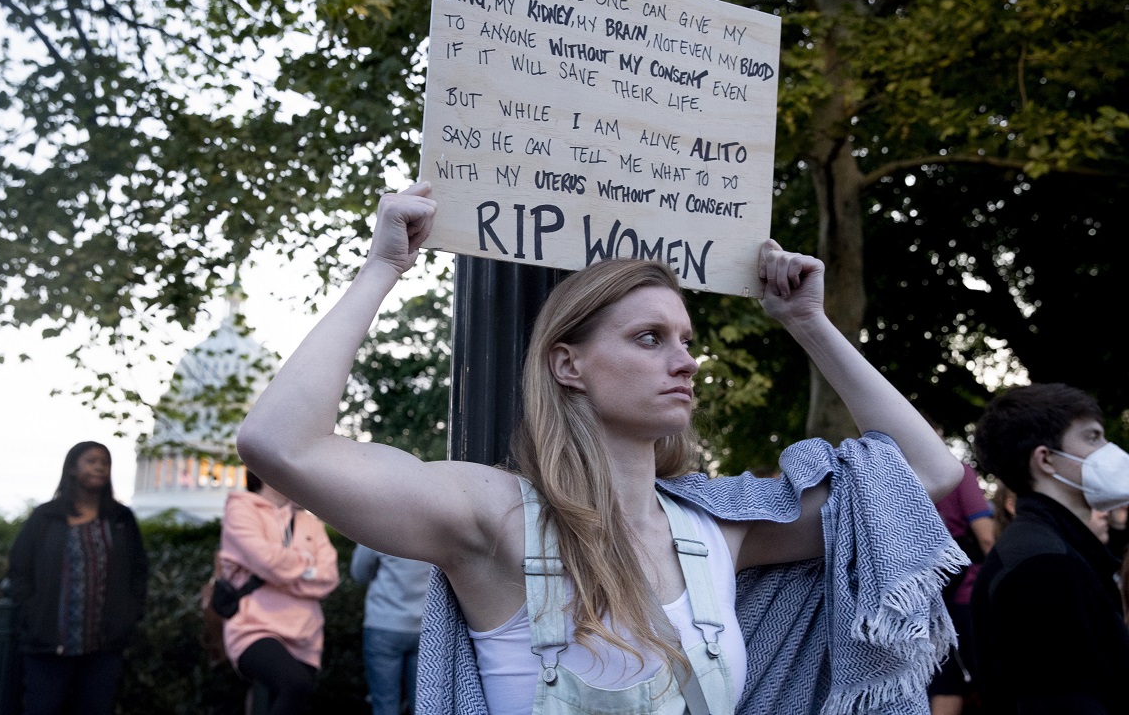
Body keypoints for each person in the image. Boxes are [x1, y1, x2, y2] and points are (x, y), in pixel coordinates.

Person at [237, 182, 963, 715]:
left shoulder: (719, 530)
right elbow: (278, 442)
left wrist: (809, 323)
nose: (684, 361)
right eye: (649, 338)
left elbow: (924, 478)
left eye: (685, 341)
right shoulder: (495, 516)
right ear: (568, 364)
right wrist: (381, 268)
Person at [970, 383, 1129, 714]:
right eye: (1092, 437)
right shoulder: (1044, 566)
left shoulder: (1049, 550)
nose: (1108, 450)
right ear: (1046, 459)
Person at [8, 440, 148, 715]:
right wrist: (33, 615)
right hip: (49, 643)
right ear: (72, 468)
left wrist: (128, 617)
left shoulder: (121, 519)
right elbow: (20, 568)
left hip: (104, 646)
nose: (99, 467)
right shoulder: (46, 517)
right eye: (91, 461)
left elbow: (138, 571)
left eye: (105, 462)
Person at [219, 470, 340, 715]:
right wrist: (307, 566)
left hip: (306, 634)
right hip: (253, 627)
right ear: (261, 470)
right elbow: (267, 561)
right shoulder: (241, 509)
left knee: (292, 698)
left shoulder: (310, 523)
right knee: (294, 685)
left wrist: (282, 573)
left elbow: (329, 577)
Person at [927, 461, 994, 715]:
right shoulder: (956, 471)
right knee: (991, 679)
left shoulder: (892, 475)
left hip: (929, 598)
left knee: (945, 680)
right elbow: (986, 537)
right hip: (968, 593)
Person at [351, 544, 432, 715]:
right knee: (424, 704)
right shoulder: (435, 524)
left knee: (384, 703)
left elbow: (359, 572)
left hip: (384, 623)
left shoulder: (379, 523)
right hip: (426, 627)